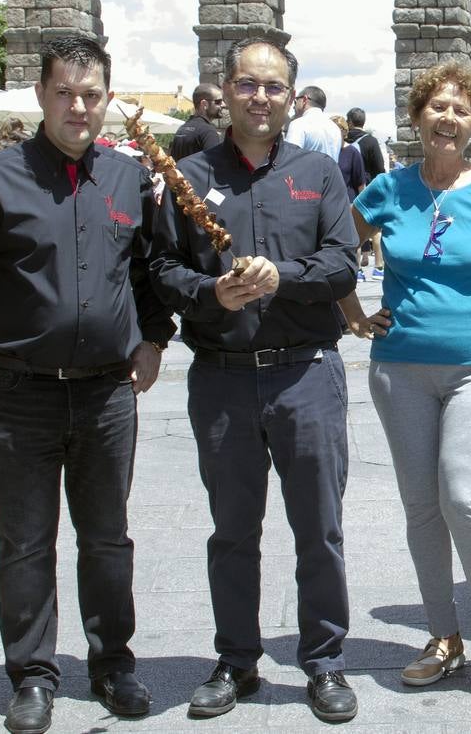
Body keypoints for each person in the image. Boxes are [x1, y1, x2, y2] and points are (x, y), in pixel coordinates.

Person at [0, 35, 174, 734]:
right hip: (20, 390)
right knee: (26, 543)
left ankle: (113, 664)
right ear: (41, 94)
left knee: (106, 538)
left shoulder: (127, 179)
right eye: (64, 92)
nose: (77, 106)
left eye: (90, 94)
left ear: (106, 100)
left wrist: (154, 338)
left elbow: (146, 271)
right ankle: (32, 674)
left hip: (105, 393)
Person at [151, 37, 361, 724]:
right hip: (223, 379)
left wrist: (282, 276)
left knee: (319, 530)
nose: (260, 98)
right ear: (224, 89)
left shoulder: (318, 174)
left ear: (292, 95)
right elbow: (160, 270)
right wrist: (212, 292)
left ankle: (324, 661)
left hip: (306, 374)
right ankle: (235, 660)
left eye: (273, 87)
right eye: (247, 84)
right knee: (232, 530)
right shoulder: (187, 175)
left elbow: (341, 266)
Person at [339, 60, 471, 708]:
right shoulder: (388, 189)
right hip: (400, 368)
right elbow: (334, 244)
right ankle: (441, 637)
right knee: (421, 505)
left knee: (463, 492)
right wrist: (354, 316)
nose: (447, 118)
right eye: (436, 108)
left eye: (460, 109)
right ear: (417, 117)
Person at [345, 107, 386, 278]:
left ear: (349, 122)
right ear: (364, 121)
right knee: (375, 229)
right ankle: (378, 266)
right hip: (369, 188)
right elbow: (379, 168)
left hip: (349, 189)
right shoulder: (371, 141)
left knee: (354, 228)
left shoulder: (345, 141)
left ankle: (357, 270)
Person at [285, 85, 342, 161]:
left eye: (295, 101)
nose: (293, 107)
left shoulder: (298, 124)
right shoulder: (335, 128)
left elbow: (289, 159)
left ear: (304, 100)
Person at [169, 84, 224, 161]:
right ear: (204, 104)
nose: (223, 105)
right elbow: (214, 166)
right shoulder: (208, 132)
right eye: (218, 102)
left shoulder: (182, 128)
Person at [331, 114, 367, 204]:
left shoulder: (352, 152)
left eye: (337, 130)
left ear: (344, 131)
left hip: (347, 203)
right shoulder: (325, 150)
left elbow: (361, 184)